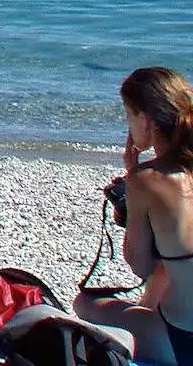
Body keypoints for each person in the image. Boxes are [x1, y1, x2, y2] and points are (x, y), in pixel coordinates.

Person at [75, 67, 193, 363]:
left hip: (183, 342)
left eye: (128, 115)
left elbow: (140, 266)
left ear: (146, 120)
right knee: (171, 264)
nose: (127, 125)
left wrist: (132, 177)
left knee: (85, 304)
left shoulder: (145, 180)